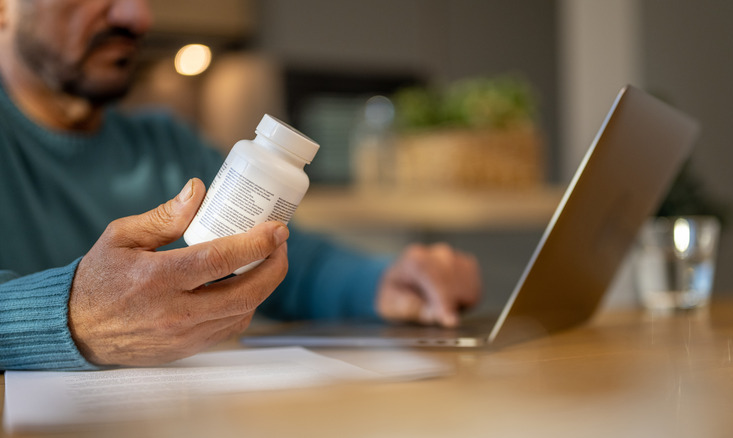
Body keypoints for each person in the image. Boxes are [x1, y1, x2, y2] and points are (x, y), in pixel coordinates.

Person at [0, 0, 481, 370]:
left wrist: (382, 282)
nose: (137, 15)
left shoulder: (163, 144)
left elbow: (289, 259)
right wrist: (72, 315)